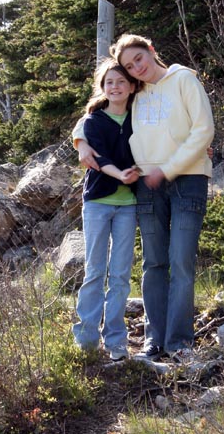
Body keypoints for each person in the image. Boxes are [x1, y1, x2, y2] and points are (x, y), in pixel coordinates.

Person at [73, 34, 214, 362]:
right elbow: (102, 107)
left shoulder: (184, 79)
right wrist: (80, 139)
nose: (137, 68)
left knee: (180, 260)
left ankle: (179, 342)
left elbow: (203, 129)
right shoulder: (137, 91)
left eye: (139, 59)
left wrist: (168, 167)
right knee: (154, 263)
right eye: (129, 66)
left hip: (187, 180)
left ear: (151, 50)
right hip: (147, 184)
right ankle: (155, 340)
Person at [72, 58, 140, 362]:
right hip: (98, 202)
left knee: (121, 274)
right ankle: (86, 340)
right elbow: (97, 155)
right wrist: (121, 174)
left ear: (132, 86)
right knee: (95, 270)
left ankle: (116, 341)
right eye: (109, 82)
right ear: (102, 87)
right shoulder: (94, 120)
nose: (115, 87)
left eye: (121, 82)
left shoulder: (140, 115)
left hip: (128, 205)